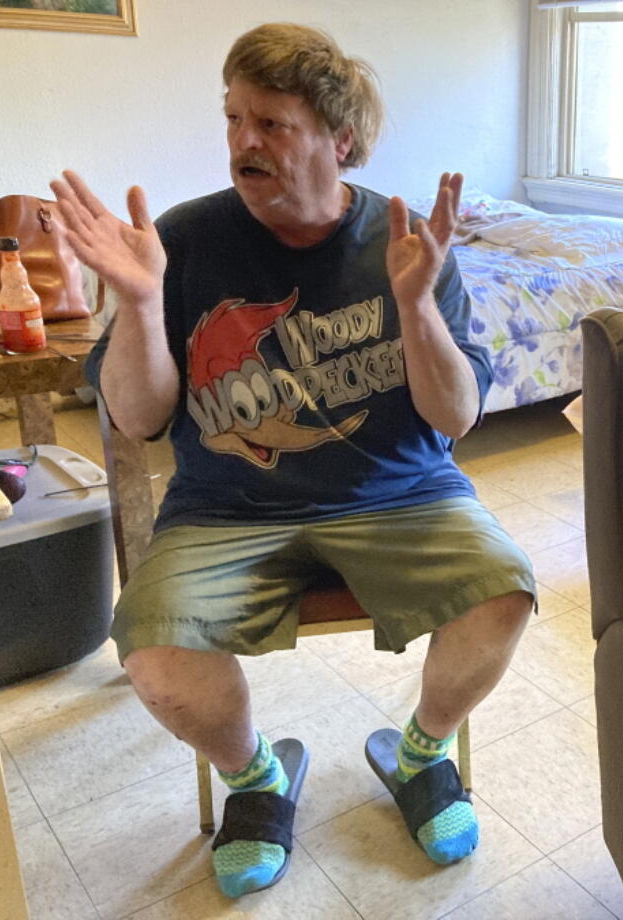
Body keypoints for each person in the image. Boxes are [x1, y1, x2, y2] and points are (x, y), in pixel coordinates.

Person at [50, 22, 535, 898]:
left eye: (271, 123)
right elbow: (137, 415)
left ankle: (419, 753)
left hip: (401, 494)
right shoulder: (186, 240)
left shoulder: (405, 242)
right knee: (156, 659)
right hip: (227, 508)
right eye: (234, 118)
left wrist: (418, 305)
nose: (243, 141)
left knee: (504, 593)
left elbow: (456, 419)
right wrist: (138, 296)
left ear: (338, 140)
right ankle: (256, 780)